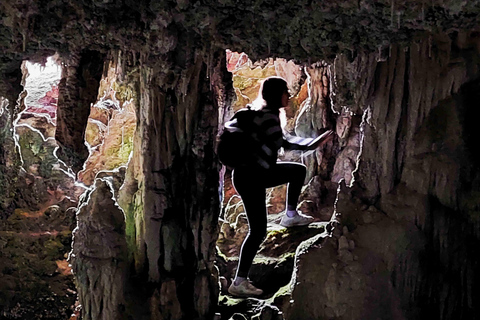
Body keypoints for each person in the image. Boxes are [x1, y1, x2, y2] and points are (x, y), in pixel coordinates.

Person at [227, 76, 334, 297]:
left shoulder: (259, 114)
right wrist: (314, 143)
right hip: (253, 177)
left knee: (297, 171)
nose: (289, 94)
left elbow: (280, 140)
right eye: (285, 91)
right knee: (258, 231)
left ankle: (290, 215)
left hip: (247, 175)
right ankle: (239, 281)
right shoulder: (270, 116)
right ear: (277, 94)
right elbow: (285, 143)